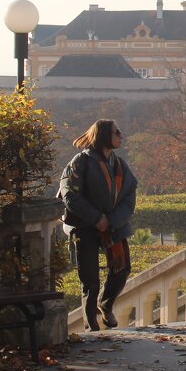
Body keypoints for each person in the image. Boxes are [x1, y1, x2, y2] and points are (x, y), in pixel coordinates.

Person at [59, 119, 138, 331]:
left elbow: (129, 198)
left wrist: (110, 221)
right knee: (90, 280)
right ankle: (91, 328)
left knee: (122, 269)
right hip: (84, 227)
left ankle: (106, 304)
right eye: (116, 132)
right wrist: (96, 218)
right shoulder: (80, 162)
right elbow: (69, 195)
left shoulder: (120, 165)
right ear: (104, 135)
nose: (121, 135)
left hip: (113, 227)